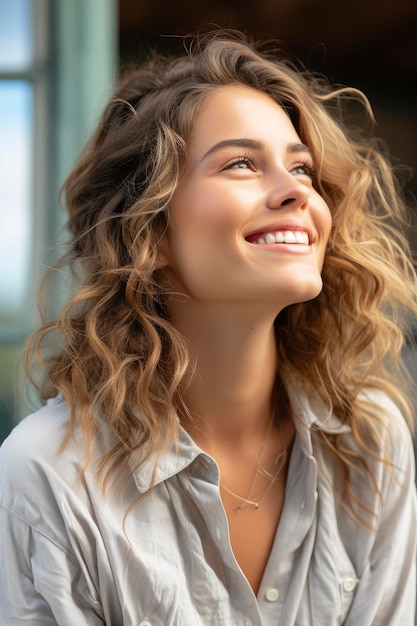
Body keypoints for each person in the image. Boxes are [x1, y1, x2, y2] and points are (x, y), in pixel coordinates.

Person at [1, 30, 416, 626]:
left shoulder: (370, 440)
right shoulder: (48, 475)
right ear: (149, 230)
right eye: (242, 163)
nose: (297, 190)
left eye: (302, 167)